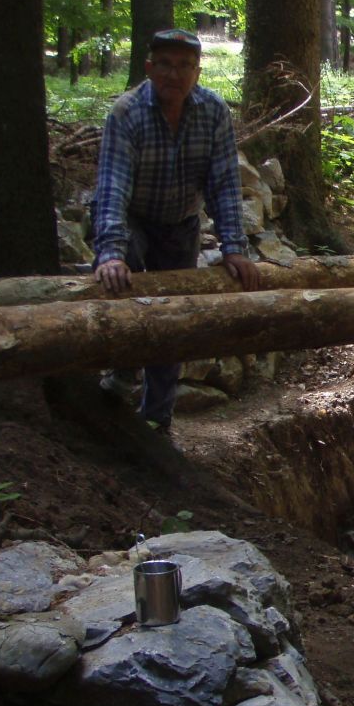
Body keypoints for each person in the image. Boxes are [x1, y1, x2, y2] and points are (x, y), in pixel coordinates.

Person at [92, 28, 261, 432]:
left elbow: (223, 183)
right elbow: (113, 186)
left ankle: (157, 421)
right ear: (149, 68)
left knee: (175, 317)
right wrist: (111, 251)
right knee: (123, 291)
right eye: (166, 64)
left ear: (197, 72)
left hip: (182, 222)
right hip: (134, 219)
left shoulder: (213, 112)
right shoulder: (126, 113)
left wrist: (234, 248)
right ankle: (117, 380)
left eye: (185, 66)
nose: (175, 74)